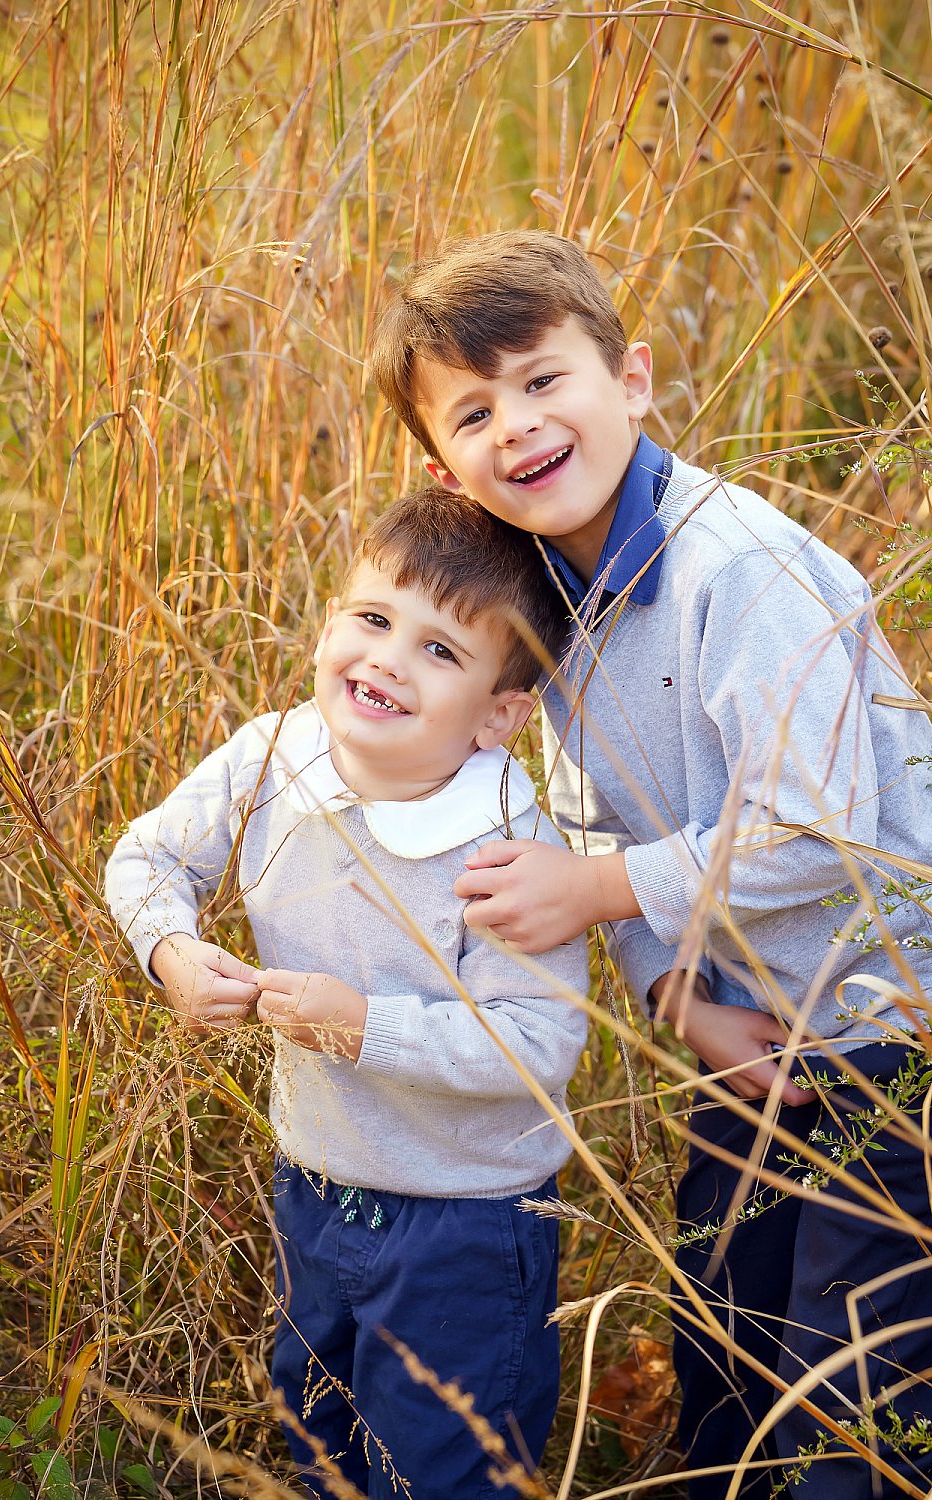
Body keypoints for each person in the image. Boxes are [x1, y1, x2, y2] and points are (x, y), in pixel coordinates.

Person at [369, 230, 932, 1498]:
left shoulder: (740, 570)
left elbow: (817, 822)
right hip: (759, 1032)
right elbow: (595, 820)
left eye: (539, 380)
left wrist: (605, 897)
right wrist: (678, 996)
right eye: (472, 412)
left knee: (853, 1384)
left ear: (631, 381)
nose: (514, 426)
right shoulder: (549, 603)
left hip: (897, 1020)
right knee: (724, 1336)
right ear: (448, 468)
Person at [104, 486, 589, 1500]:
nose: (385, 660)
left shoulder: (506, 845)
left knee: (440, 1468)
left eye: (439, 651)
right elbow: (147, 857)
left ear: (503, 712)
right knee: (315, 1429)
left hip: (463, 1223)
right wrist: (174, 954)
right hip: (315, 1185)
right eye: (372, 619)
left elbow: (539, 1043)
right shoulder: (274, 757)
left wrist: (365, 1026)